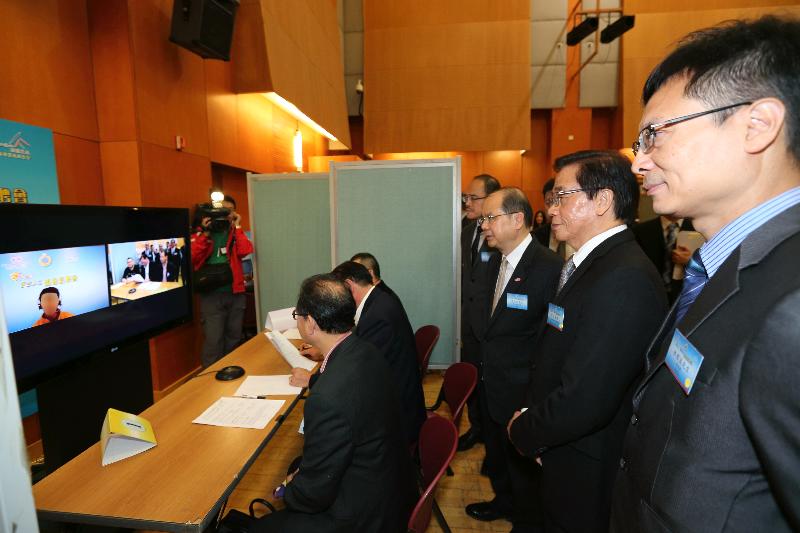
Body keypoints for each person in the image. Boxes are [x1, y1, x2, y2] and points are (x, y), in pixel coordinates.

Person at [611, 16, 800, 532]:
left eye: (654, 135)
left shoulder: (793, 306)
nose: (638, 163)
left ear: (757, 126)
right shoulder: (723, 264)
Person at [507, 150, 667, 532]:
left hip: (588, 463)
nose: (551, 208)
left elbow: (588, 398)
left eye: (562, 196)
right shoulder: (592, 264)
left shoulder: (623, 277)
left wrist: (525, 431)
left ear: (602, 201)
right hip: (564, 446)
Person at [252, 275, 417, 533]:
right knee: (298, 466)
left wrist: (290, 488)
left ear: (311, 324)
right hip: (391, 485)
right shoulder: (366, 350)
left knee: (263, 527)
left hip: (364, 517)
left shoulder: (326, 400)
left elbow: (313, 496)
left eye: (298, 314)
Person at [465, 187, 562, 532]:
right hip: (492, 384)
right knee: (498, 459)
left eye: (491, 218)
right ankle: (503, 502)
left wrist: (534, 399)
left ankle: (526, 522)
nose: (483, 226)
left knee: (524, 471)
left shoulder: (550, 268)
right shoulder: (493, 261)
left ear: (517, 219)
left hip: (523, 392)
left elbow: (551, 340)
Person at [458, 173, 501, 453]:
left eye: (474, 197)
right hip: (468, 321)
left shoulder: (498, 233)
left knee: (490, 383)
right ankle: (476, 426)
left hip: (489, 323)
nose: (468, 202)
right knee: (471, 375)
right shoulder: (466, 229)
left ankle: (491, 434)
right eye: (466, 197)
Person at [191, 195, 254, 367]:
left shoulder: (234, 231)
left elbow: (246, 250)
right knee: (213, 340)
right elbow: (193, 256)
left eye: (229, 211)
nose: (224, 214)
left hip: (235, 293)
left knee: (233, 337)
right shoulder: (203, 232)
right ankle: (209, 381)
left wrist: (238, 226)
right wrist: (205, 233)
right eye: (221, 210)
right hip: (211, 295)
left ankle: (230, 373)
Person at [632, 215, 696, 304]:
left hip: (686, 295)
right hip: (649, 294)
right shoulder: (641, 230)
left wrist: (691, 262)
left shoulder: (697, 228)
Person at [533, 178, 575, 260]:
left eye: (559, 201)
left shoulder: (580, 234)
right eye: (548, 202)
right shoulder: (535, 237)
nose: (552, 209)